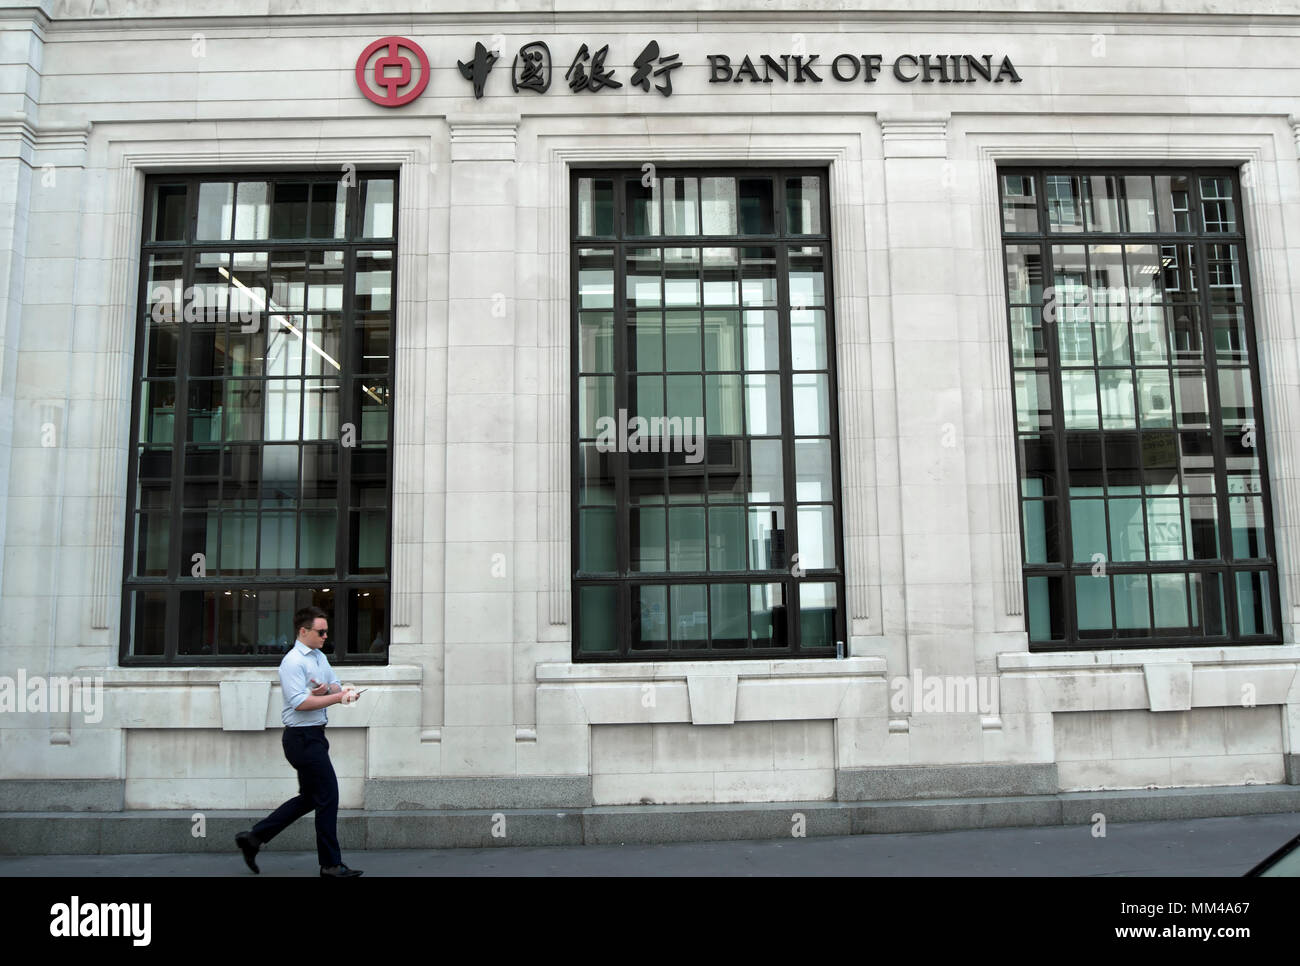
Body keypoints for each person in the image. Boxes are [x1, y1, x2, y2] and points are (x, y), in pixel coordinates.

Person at [235, 606, 363, 877]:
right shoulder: (293, 662)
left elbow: (336, 685)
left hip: (314, 736)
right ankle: (330, 865)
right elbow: (301, 704)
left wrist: (328, 690)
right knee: (328, 796)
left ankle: (254, 838)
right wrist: (337, 698)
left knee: (310, 798)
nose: (325, 636)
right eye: (320, 631)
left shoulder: (318, 657)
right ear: (303, 631)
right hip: (301, 739)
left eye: (326, 631)